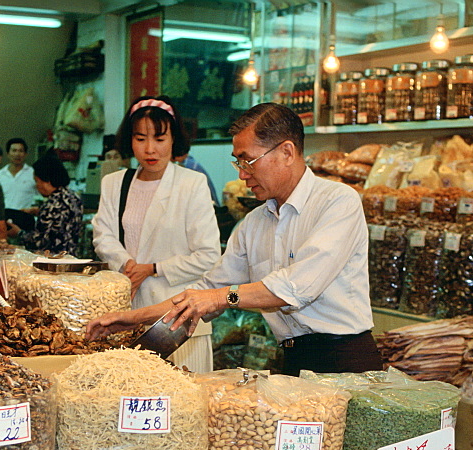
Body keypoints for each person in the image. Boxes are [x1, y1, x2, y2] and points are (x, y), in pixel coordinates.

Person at [87, 102, 383, 376]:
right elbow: (204, 290)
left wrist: (220, 297)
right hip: (291, 359)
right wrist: (134, 317)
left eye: (248, 161)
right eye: (238, 163)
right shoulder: (253, 223)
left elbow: (297, 287)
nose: (242, 174)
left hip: (345, 359)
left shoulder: (337, 202)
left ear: (287, 152)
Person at [92, 96, 221, 373]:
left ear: (174, 140)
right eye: (140, 139)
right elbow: (103, 235)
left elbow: (209, 256)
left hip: (181, 321)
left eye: (160, 139)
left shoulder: (192, 184)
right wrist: (129, 266)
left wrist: (151, 269)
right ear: (130, 140)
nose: (150, 149)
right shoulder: (115, 183)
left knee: (185, 404)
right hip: (129, 316)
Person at [22, 153, 83, 255]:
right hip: (71, 257)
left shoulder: (52, 205)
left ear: (47, 181)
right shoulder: (74, 196)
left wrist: (19, 234)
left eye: (37, 181)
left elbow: (40, 242)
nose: (37, 186)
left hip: (54, 261)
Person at [0, 137, 38, 232]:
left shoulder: (32, 174)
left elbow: (40, 198)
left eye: (21, 151)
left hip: (25, 220)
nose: (17, 154)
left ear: (25, 154)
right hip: (4, 220)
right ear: (8, 153)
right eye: (14, 150)